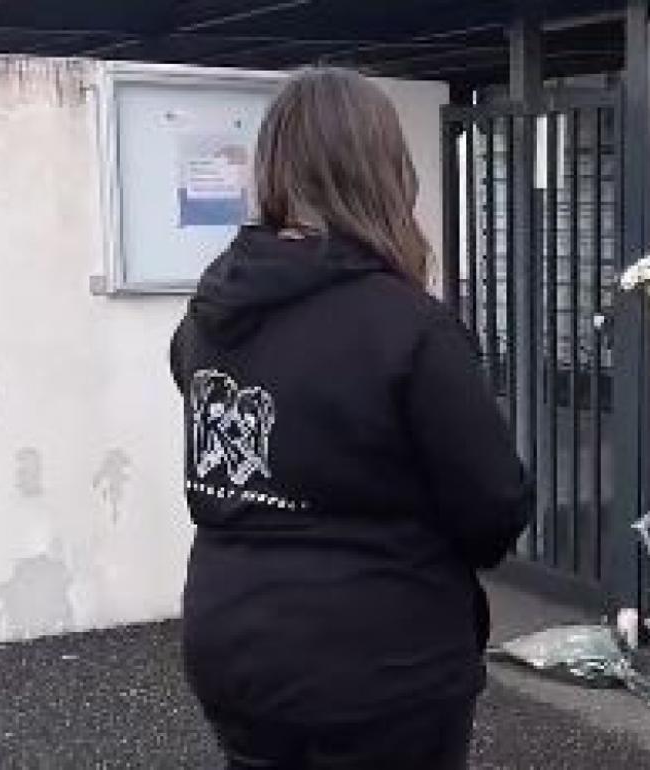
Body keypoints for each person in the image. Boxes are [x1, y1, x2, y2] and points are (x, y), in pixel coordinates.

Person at [168, 68, 532, 769]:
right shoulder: (409, 328)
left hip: (231, 640)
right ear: (381, 173)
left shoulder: (211, 315)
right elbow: (492, 509)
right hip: (382, 658)